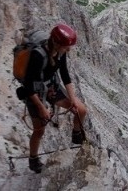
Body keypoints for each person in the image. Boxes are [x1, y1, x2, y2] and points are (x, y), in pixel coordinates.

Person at [22, 23, 88, 173]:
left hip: (51, 87)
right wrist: (41, 107)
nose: (69, 49)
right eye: (67, 46)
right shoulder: (38, 55)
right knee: (39, 131)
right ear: (57, 43)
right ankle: (33, 160)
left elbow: (65, 75)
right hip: (34, 94)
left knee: (81, 110)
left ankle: (76, 135)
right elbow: (28, 86)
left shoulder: (60, 51)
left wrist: (72, 99)